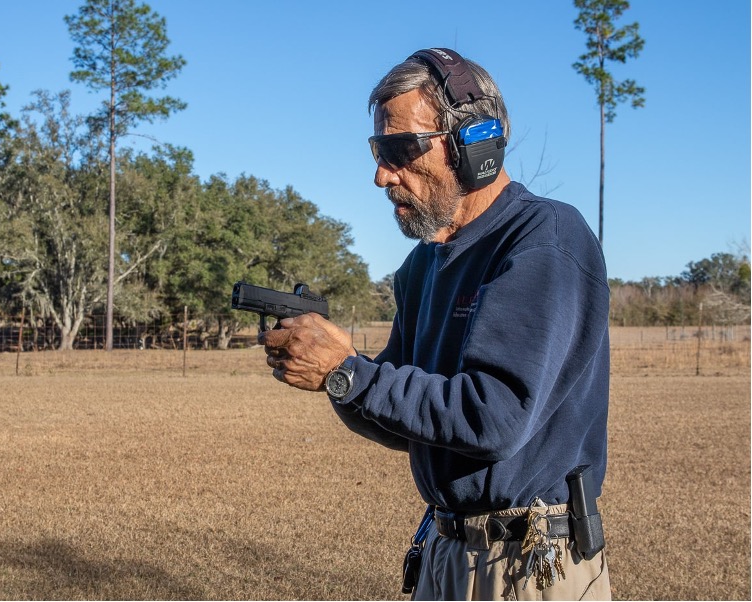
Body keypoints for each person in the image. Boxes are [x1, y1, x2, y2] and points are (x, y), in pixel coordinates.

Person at [258, 47, 611, 601]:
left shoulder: (544, 239)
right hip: (446, 548)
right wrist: (338, 377)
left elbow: (492, 418)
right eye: (379, 149)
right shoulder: (423, 266)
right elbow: (408, 422)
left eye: (401, 149)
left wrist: (348, 371)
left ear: (477, 143)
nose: (380, 174)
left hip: (529, 563)